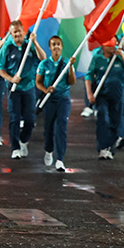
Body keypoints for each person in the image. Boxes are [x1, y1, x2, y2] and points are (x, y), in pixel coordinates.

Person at [0, 21, 45, 159]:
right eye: (14, 32)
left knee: (30, 119)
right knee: (14, 118)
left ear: (23, 31)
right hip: (14, 89)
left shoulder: (29, 45)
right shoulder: (7, 47)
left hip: (29, 87)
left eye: (19, 31)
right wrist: (11, 79)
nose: (18, 34)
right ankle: (15, 148)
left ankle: (24, 140)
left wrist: (35, 42)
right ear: (11, 34)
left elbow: (43, 58)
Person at [84, 38, 124, 159]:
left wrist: (122, 55)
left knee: (115, 122)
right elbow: (89, 76)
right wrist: (89, 93)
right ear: (102, 46)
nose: (112, 47)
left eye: (113, 45)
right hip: (102, 95)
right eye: (109, 45)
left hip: (117, 95)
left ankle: (110, 148)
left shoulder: (118, 56)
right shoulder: (97, 58)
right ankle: (102, 147)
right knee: (103, 120)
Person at [36, 35, 76, 171]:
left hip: (63, 99)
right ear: (50, 47)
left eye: (58, 44)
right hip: (49, 101)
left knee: (61, 127)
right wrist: (46, 90)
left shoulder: (66, 64)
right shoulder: (44, 64)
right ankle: (48, 150)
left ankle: (60, 159)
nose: (56, 47)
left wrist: (70, 67)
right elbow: (38, 82)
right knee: (48, 128)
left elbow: (72, 82)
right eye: (53, 44)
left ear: (62, 46)